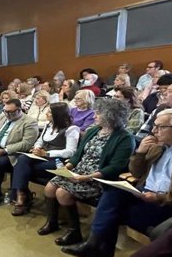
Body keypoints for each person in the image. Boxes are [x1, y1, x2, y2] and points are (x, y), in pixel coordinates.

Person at [62, 108, 172, 257]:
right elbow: (136, 173)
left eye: (160, 127)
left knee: (113, 212)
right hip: (144, 193)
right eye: (155, 126)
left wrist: (161, 197)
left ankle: (97, 254)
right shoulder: (157, 145)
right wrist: (140, 153)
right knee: (112, 192)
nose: (154, 130)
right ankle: (95, 249)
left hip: (170, 204)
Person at [42, 99, 134, 246]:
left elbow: (116, 167)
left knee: (62, 192)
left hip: (98, 178)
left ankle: (74, 231)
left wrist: (88, 177)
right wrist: (69, 167)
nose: (94, 116)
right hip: (79, 172)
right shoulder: (93, 131)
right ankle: (52, 222)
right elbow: (78, 154)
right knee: (49, 187)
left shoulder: (125, 138)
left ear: (110, 116)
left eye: (98, 113)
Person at [10, 103, 79, 216]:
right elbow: (39, 141)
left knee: (21, 167)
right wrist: (36, 148)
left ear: (58, 115)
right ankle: (21, 194)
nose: (46, 114)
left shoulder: (72, 129)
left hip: (58, 161)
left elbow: (71, 151)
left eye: (49, 112)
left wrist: (47, 153)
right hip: (42, 157)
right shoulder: (49, 125)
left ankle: (22, 197)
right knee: (22, 159)